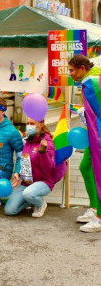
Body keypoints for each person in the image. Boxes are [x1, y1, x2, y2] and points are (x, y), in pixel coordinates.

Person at [68, 54, 101, 232]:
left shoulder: (91, 84)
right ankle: (94, 207)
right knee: (85, 167)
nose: (70, 73)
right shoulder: (88, 83)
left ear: (82, 68)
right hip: (94, 136)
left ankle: (99, 217)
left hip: (98, 137)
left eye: (72, 70)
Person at [4, 117, 57, 217]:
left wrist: (43, 153)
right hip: (27, 182)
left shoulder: (47, 143)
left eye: (32, 124)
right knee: (9, 210)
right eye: (27, 123)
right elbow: (23, 158)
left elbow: (49, 169)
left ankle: (41, 204)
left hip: (44, 182)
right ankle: (31, 200)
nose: (28, 126)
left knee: (28, 193)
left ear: (41, 124)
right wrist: (17, 172)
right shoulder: (28, 141)